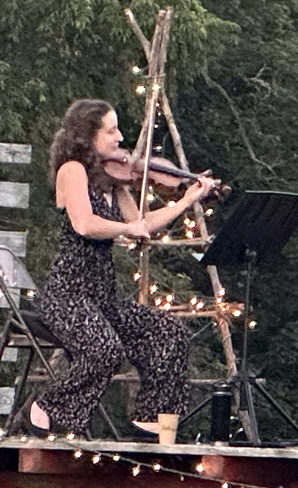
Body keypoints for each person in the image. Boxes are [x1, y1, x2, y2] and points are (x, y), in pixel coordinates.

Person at [29, 99, 215, 437]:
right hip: (68, 295)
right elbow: (84, 224)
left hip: (102, 299)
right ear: (88, 135)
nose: (120, 138)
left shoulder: (112, 182)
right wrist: (126, 230)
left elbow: (143, 224)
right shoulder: (72, 170)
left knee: (168, 332)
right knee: (106, 349)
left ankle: (150, 421)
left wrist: (187, 200)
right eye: (111, 130)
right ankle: (48, 407)